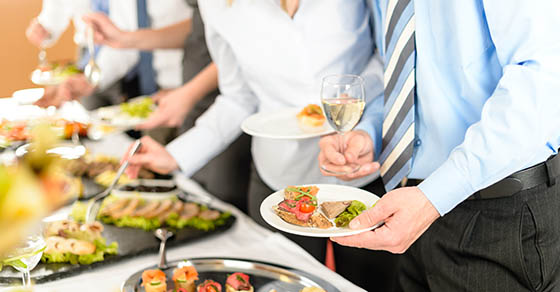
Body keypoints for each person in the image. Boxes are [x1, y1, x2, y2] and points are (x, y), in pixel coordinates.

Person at [123, 1, 399, 290]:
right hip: (279, 183)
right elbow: (237, 97)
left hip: (364, 168)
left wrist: (360, 111)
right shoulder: (217, 6)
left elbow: (387, 57)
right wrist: (176, 154)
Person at [319, 0, 560, 290]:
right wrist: (371, 131)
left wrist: (433, 197)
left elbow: (543, 83)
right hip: (415, 203)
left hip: (498, 215)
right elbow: (399, 63)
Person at [84, 0, 252, 213]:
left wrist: (189, 92)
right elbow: (238, 90)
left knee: (224, 200)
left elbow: (244, 58)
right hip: (207, 105)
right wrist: (177, 155)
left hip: (211, 99)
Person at [29, 0, 192, 110]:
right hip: (100, 56)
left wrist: (190, 90)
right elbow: (125, 39)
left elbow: (201, 29)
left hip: (185, 80)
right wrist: (89, 80)